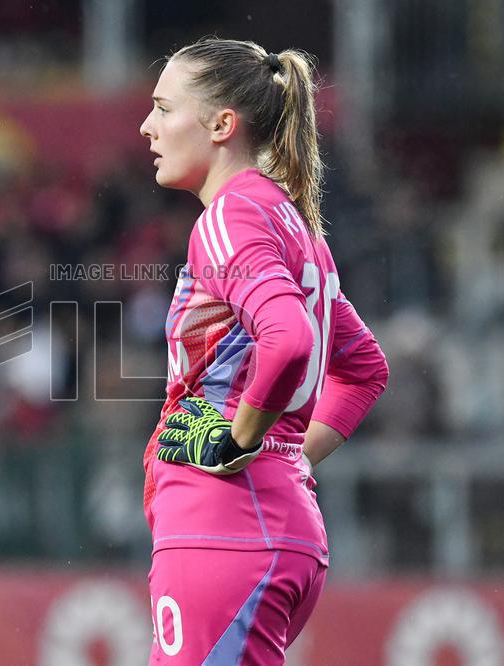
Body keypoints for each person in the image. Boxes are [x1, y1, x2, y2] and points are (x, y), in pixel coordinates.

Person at [139, 38, 389, 664]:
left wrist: (239, 442)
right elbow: (363, 371)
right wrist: (283, 458)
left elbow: (289, 340)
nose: (147, 127)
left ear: (223, 124)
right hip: (276, 529)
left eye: (165, 109)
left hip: (222, 532)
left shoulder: (230, 216)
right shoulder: (294, 224)